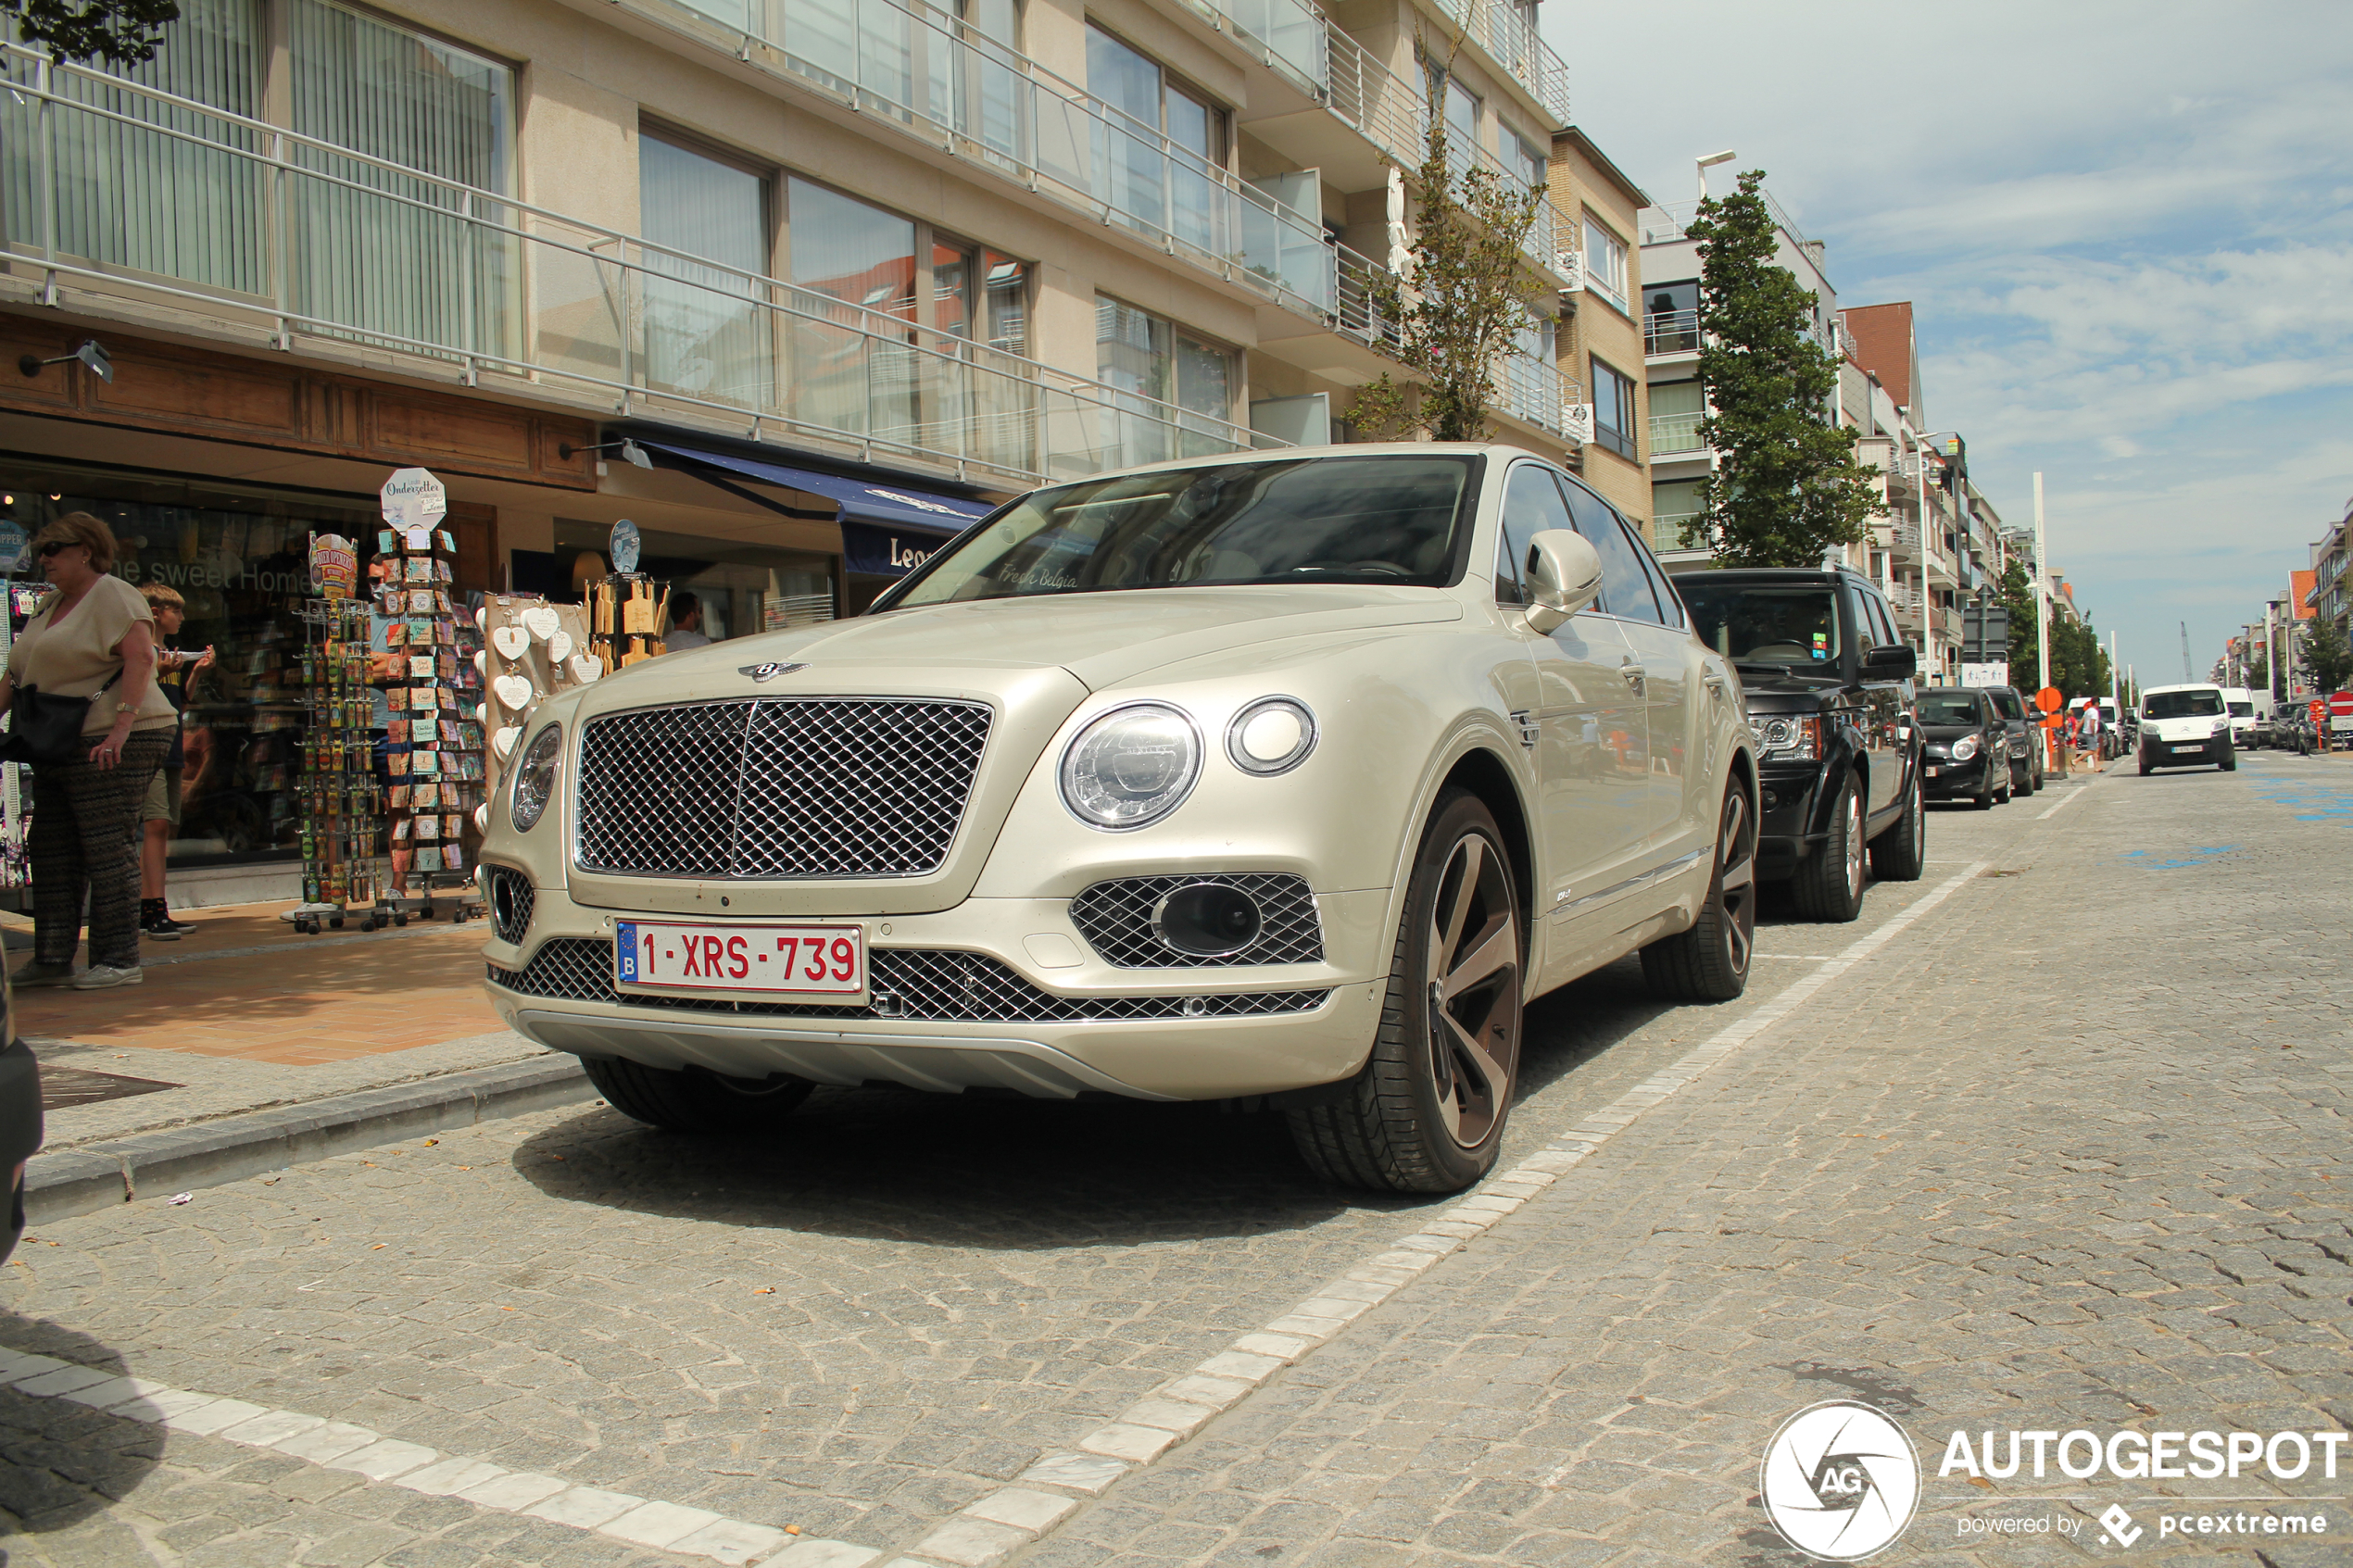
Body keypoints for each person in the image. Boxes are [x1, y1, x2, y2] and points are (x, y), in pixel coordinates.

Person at [0, 514, 181, 989]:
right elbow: (17, 674)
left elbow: (142, 657)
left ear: (85, 549)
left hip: (120, 733)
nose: (45, 559)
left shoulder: (114, 594)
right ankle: (53, 956)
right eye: (42, 550)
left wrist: (120, 729)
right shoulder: (51, 603)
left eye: (54, 549)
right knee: (52, 846)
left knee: (105, 844)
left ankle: (119, 960)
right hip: (61, 738)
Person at [137, 583, 212, 939]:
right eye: (176, 611)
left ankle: (155, 905)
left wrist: (195, 670)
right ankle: (150, 908)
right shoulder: (140, 649)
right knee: (154, 824)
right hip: (147, 743)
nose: (181, 617)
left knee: (165, 827)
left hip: (171, 743)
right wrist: (158, 669)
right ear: (155, 612)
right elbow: (134, 692)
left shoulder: (167, 652)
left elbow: (177, 702)